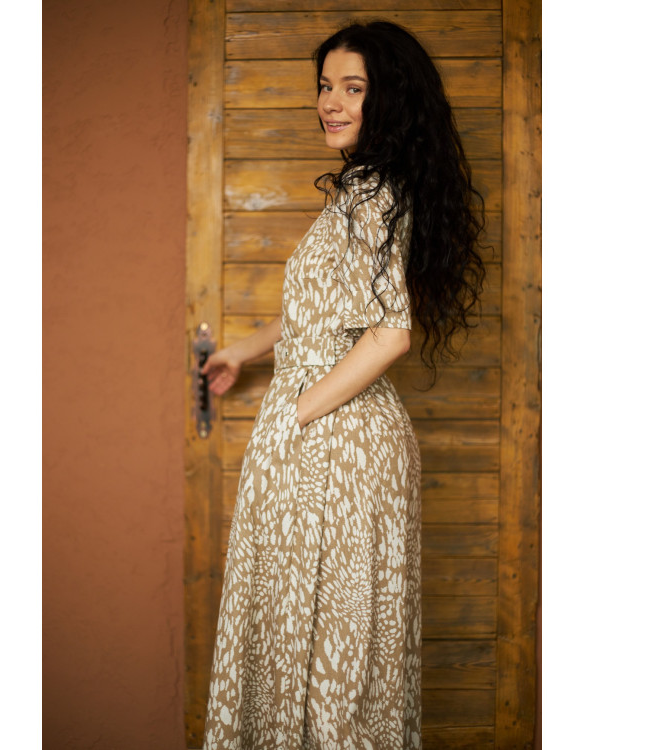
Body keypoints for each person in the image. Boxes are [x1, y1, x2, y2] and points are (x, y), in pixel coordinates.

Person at [199, 20, 485, 749]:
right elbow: (322, 314)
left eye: (353, 88)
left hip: (336, 445)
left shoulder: (371, 196)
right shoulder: (365, 191)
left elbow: (390, 335)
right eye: (326, 86)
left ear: (388, 99)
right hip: (344, 439)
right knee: (336, 646)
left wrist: (295, 413)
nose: (331, 102)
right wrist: (242, 352)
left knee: (329, 650)